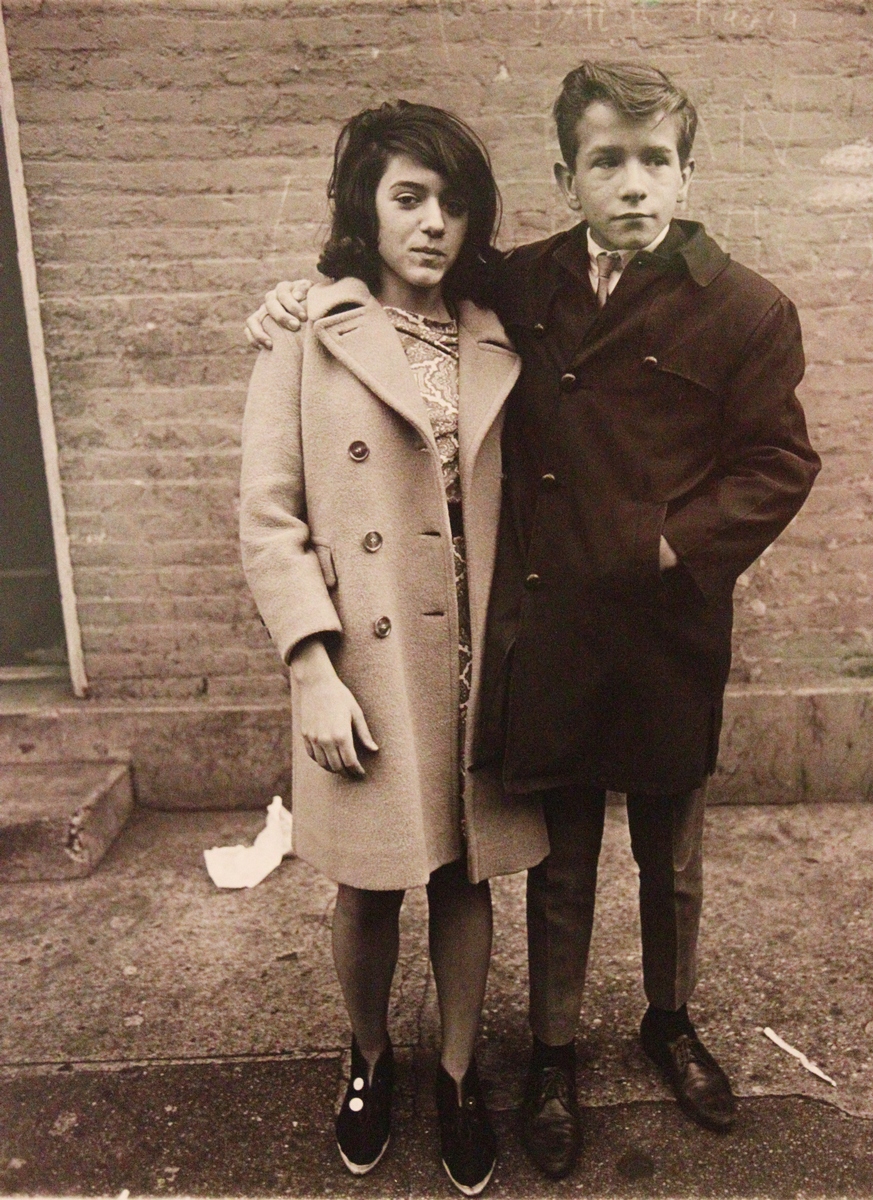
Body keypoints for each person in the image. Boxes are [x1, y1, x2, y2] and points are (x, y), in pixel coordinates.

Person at [246, 61, 821, 1181]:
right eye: (605, 162)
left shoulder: (742, 307)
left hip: (659, 631)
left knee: (669, 856)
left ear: (687, 172)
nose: (633, 186)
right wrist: (294, 295)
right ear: (565, 175)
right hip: (532, 635)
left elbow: (778, 461)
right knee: (550, 863)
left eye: (655, 161)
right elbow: (374, 322)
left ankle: (666, 1021)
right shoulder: (524, 285)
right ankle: (543, 1054)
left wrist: (671, 545)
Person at [239, 99, 548, 1196]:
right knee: (370, 884)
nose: (431, 223)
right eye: (407, 197)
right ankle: (368, 1059)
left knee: (468, 877)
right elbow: (268, 517)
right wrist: (310, 670)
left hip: (479, 653)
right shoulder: (304, 331)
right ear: (362, 207)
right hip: (363, 661)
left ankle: (458, 1075)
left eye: (452, 203)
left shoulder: (497, 327)